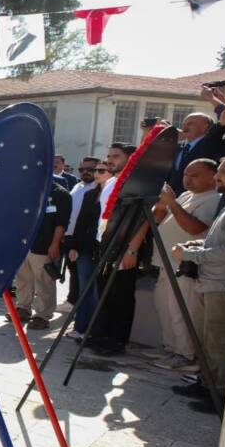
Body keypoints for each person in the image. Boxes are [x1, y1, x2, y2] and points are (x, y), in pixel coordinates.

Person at [131, 159, 220, 371]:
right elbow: (164, 218)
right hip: (165, 263)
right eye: (186, 174)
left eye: (195, 175)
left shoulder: (213, 199)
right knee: (165, 309)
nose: (188, 179)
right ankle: (171, 348)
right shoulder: (186, 195)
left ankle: (186, 355)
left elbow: (195, 228)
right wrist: (162, 206)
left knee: (183, 311)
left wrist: (172, 203)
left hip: (185, 266)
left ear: (212, 176)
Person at [172, 155, 225, 414]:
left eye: (223, 172)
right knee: (210, 341)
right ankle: (207, 384)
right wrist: (194, 246)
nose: (217, 177)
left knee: (220, 343)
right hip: (213, 284)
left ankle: (218, 394)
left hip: (224, 287)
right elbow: (216, 244)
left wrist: (190, 254)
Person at [87, 143, 139, 354]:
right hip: (105, 244)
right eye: (109, 156)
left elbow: (143, 219)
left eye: (116, 156)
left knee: (121, 295)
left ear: (130, 158)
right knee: (105, 293)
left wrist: (132, 250)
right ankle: (104, 335)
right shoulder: (112, 182)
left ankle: (117, 341)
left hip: (124, 246)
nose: (110, 160)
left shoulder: (136, 183)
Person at [14, 180, 72, 330]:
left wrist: (55, 244)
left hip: (44, 246)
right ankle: (23, 307)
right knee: (23, 278)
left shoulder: (60, 194)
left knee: (44, 281)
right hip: (24, 244)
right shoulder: (28, 190)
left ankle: (43, 315)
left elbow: (61, 224)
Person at [64, 161, 107, 338]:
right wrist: (74, 246)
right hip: (85, 248)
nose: (96, 173)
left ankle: (93, 330)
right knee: (84, 288)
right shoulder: (90, 194)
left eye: (101, 170)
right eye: (96, 170)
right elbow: (81, 222)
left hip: (103, 249)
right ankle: (80, 327)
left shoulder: (115, 194)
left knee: (97, 290)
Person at [169, 111, 225, 194]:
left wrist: (223, 122)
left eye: (190, 124)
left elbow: (215, 134)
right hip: (175, 197)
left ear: (204, 127)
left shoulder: (211, 144)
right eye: (184, 124)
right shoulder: (177, 147)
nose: (184, 127)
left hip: (200, 196)